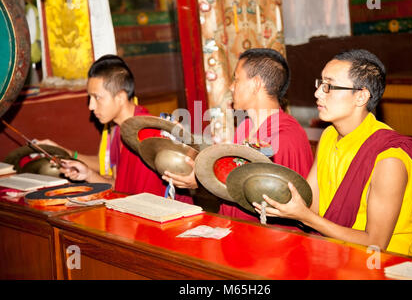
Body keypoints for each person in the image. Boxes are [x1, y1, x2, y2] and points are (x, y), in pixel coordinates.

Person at [254, 49, 412, 257]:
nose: (318, 93)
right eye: (320, 84)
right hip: (334, 252)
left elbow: (376, 243)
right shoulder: (329, 135)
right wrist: (261, 183)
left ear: (361, 96)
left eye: (329, 86)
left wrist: (304, 216)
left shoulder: (389, 158)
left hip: (385, 266)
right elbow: (311, 203)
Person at [164, 48, 314, 227]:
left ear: (256, 84)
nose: (231, 86)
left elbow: (267, 199)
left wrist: (200, 182)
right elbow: (232, 180)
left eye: (236, 78)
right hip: (234, 227)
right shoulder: (244, 127)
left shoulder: (285, 137)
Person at [39, 55, 168, 197]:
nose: (91, 106)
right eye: (90, 98)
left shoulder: (147, 133)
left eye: (97, 97)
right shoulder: (117, 130)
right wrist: (87, 174)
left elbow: (148, 200)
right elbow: (119, 186)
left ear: (120, 97)